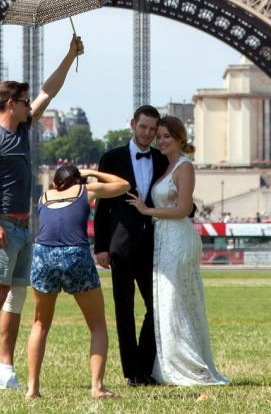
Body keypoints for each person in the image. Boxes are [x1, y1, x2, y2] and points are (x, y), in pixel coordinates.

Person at [0, 35, 84, 390]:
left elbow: (49, 91)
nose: (29, 106)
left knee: (16, 297)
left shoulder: (23, 130)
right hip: (3, 224)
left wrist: (69, 56)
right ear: (9, 103)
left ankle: (6, 363)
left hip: (23, 227)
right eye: (23, 101)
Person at [126, 116, 229, 386]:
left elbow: (184, 209)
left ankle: (187, 365)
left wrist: (147, 210)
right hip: (165, 239)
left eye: (165, 136)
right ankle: (170, 364)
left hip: (177, 239)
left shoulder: (184, 167)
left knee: (174, 302)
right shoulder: (167, 165)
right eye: (158, 136)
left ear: (180, 138)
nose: (160, 140)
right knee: (167, 304)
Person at [26, 166, 129, 399]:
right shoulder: (84, 190)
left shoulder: (44, 196)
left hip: (43, 255)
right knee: (97, 325)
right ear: (78, 181)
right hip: (76, 256)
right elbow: (123, 185)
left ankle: (32, 388)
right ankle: (97, 387)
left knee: (40, 324)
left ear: (55, 184)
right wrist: (93, 172)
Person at [93, 105, 168, 386]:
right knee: (124, 310)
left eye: (152, 129)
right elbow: (101, 207)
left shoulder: (162, 158)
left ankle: (144, 366)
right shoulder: (111, 158)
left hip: (153, 245)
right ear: (133, 124)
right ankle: (133, 373)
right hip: (120, 246)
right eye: (143, 127)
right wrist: (100, 247)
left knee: (156, 307)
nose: (148, 134)